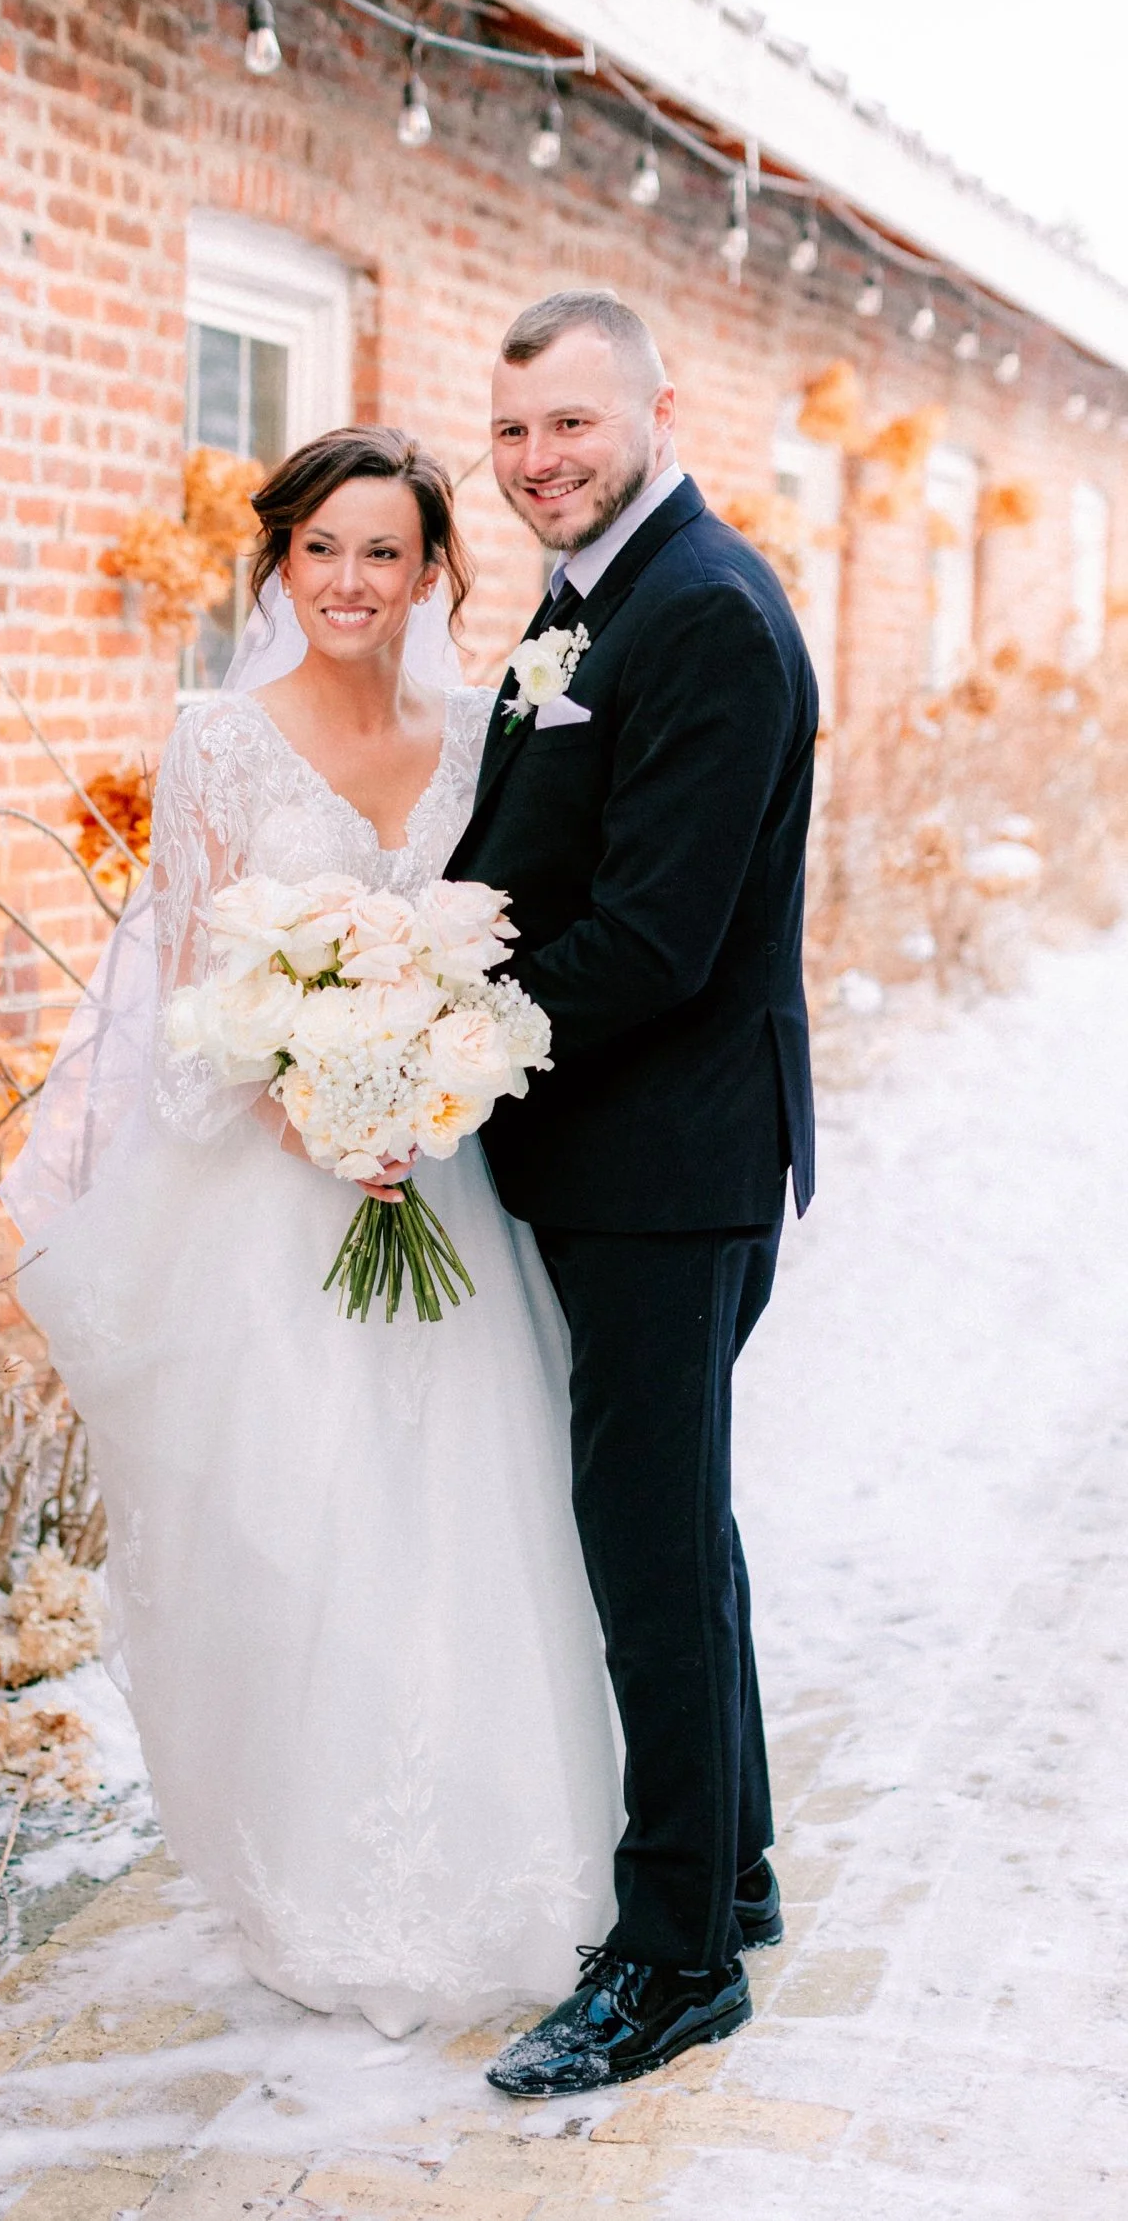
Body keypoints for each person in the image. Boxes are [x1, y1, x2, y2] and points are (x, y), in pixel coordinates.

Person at [3, 425, 621, 2043]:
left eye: (386, 553)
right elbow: (195, 982)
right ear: (282, 558)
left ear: (431, 572)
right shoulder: (218, 738)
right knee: (300, 1526)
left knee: (466, 1519)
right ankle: (316, 1870)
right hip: (280, 1197)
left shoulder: (476, 736)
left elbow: (499, 946)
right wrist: (321, 1115)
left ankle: (493, 1867)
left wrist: (430, 1099)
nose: (352, 581)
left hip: (444, 1186)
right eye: (323, 548)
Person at [448, 290, 818, 2096]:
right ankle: (728, 1869)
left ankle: (671, 1957)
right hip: (622, 1164)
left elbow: (657, 942)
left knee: (649, 1558)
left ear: (662, 406)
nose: (537, 464)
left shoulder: (710, 615)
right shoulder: (602, 590)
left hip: (671, 1168)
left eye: (571, 427)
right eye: (512, 433)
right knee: (682, 1528)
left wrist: (438, 1040)